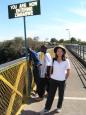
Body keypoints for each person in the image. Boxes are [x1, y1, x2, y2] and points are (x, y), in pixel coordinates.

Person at [40, 45, 71, 114]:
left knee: (61, 95)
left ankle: (59, 107)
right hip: (53, 80)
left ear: (63, 52)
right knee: (50, 95)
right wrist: (50, 76)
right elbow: (51, 68)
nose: (59, 52)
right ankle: (46, 108)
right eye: (58, 51)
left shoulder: (66, 60)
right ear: (56, 52)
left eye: (61, 51)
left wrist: (65, 78)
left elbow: (68, 71)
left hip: (62, 81)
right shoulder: (53, 59)